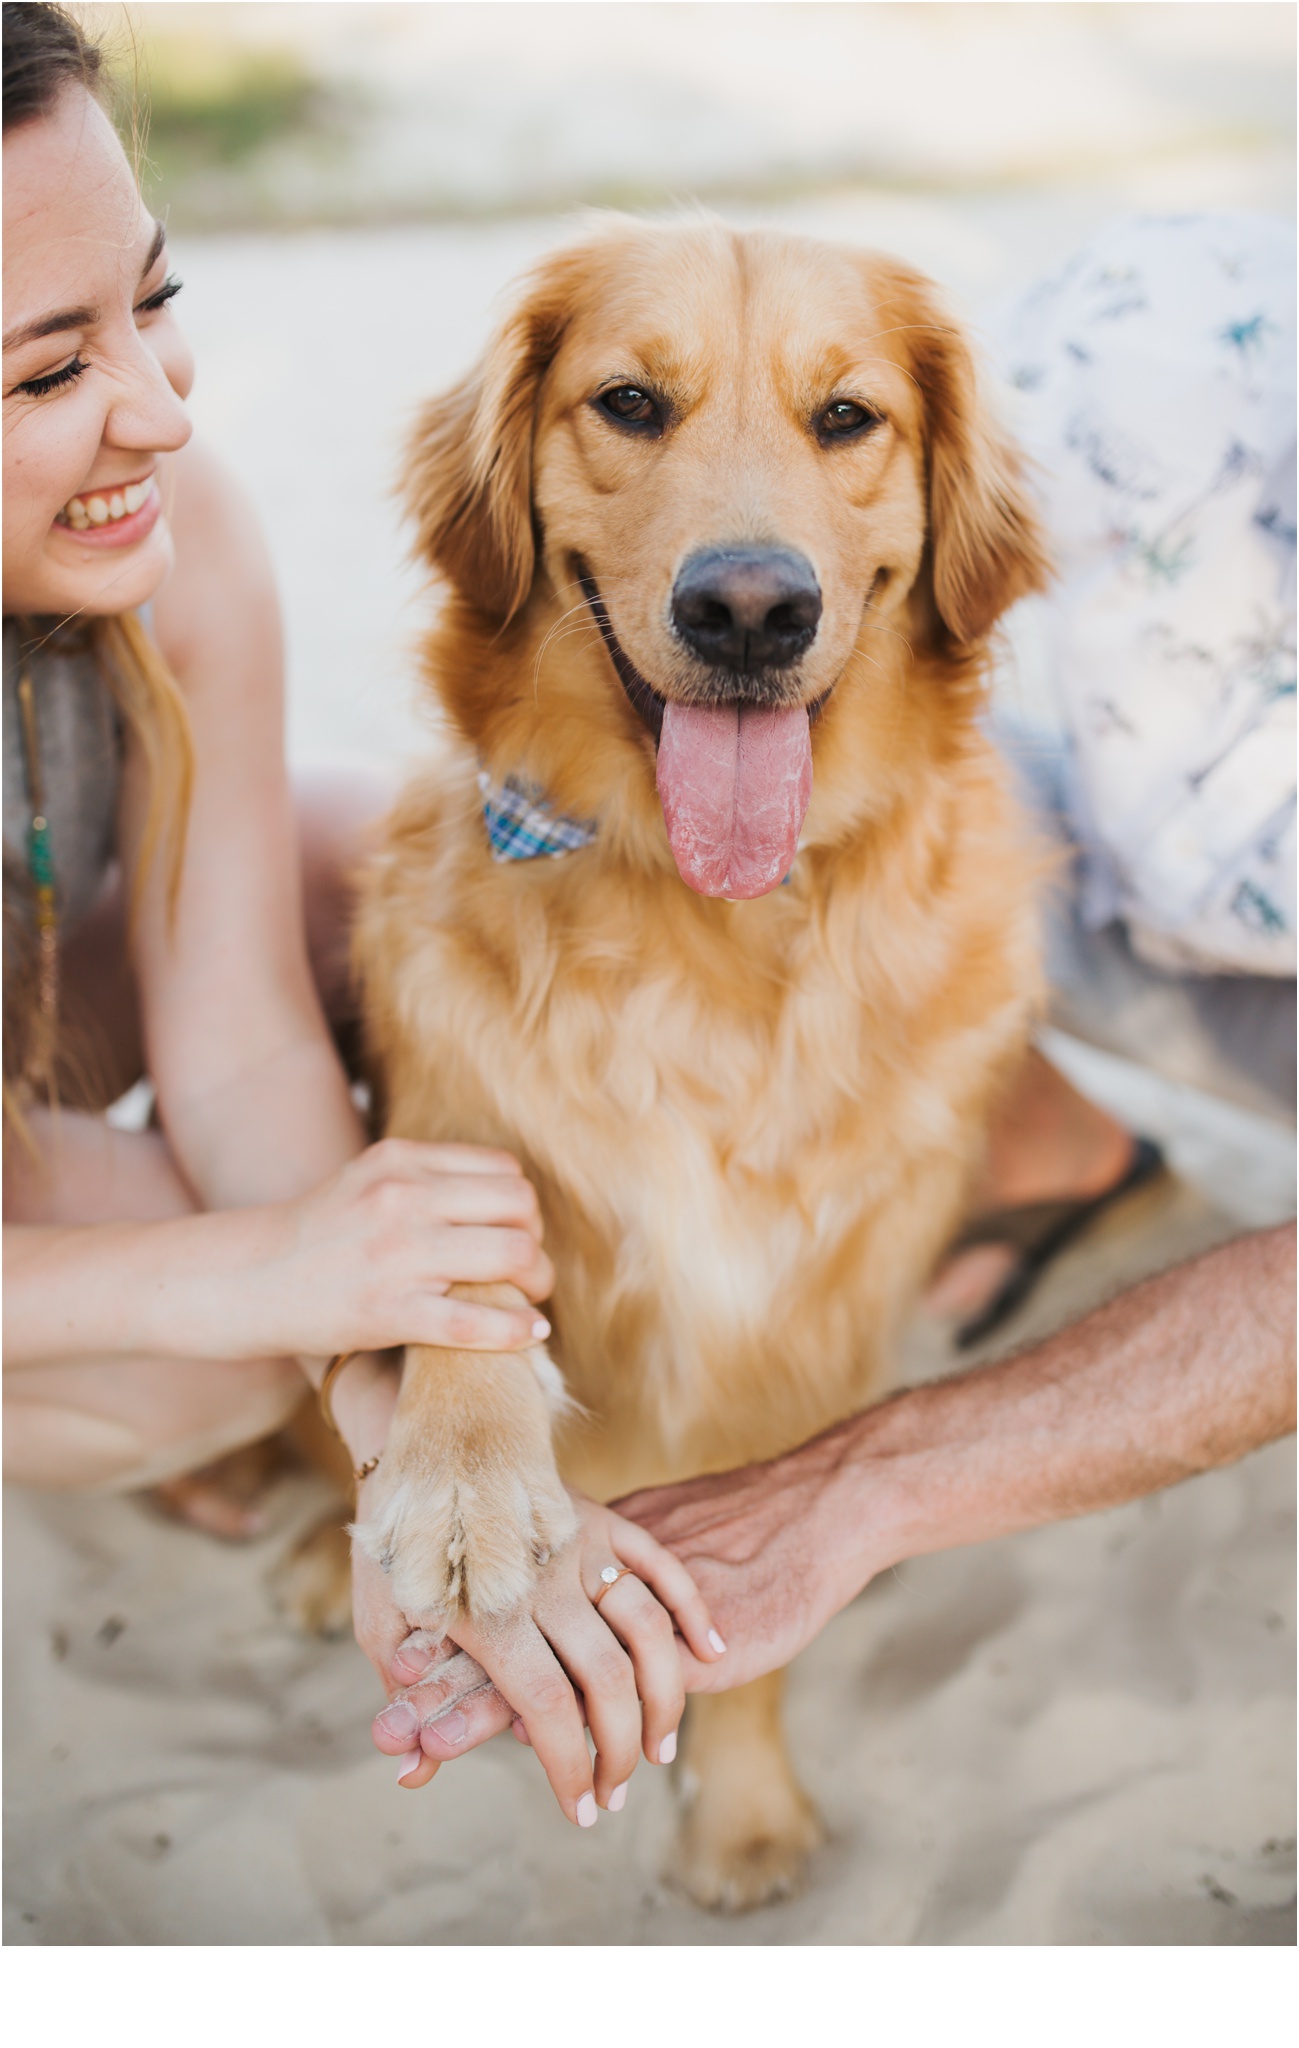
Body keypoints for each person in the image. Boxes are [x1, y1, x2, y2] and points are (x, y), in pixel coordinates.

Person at [370, 213, 1296, 1764]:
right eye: (634, 408)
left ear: (940, 515)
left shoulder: (986, 901)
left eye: (842, 421)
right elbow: (417, 1223)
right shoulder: (436, 917)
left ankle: (743, 1724)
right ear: (503, 484)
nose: (750, 565)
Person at [1, 0, 721, 1830]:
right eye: (42, 373)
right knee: (178, 1351)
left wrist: (384, 1405)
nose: (159, 410)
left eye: (151, 305)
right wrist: (267, 1280)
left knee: (416, 860)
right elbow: (237, 1243)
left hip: (38, 956)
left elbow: (234, 1025)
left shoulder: (179, 528)